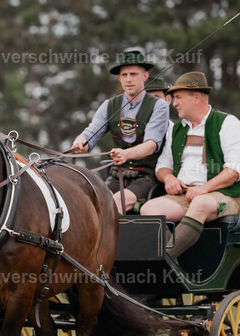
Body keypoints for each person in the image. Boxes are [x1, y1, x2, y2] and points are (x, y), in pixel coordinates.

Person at [139, 72, 240, 259]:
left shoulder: (228, 124)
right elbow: (162, 166)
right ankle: (176, 264)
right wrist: (168, 178)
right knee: (148, 209)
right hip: (186, 194)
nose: (174, 103)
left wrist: (203, 189)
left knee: (200, 202)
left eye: (179, 97)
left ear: (197, 97)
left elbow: (234, 171)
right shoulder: (176, 128)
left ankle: (165, 261)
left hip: (228, 195)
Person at [70, 47, 170, 214]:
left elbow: (151, 145)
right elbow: (91, 133)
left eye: (133, 74)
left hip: (146, 177)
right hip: (117, 175)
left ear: (145, 76)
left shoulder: (158, 106)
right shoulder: (109, 105)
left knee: (114, 203)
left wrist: (126, 154)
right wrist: (80, 142)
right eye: (124, 75)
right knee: (92, 201)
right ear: (119, 78)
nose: (128, 79)